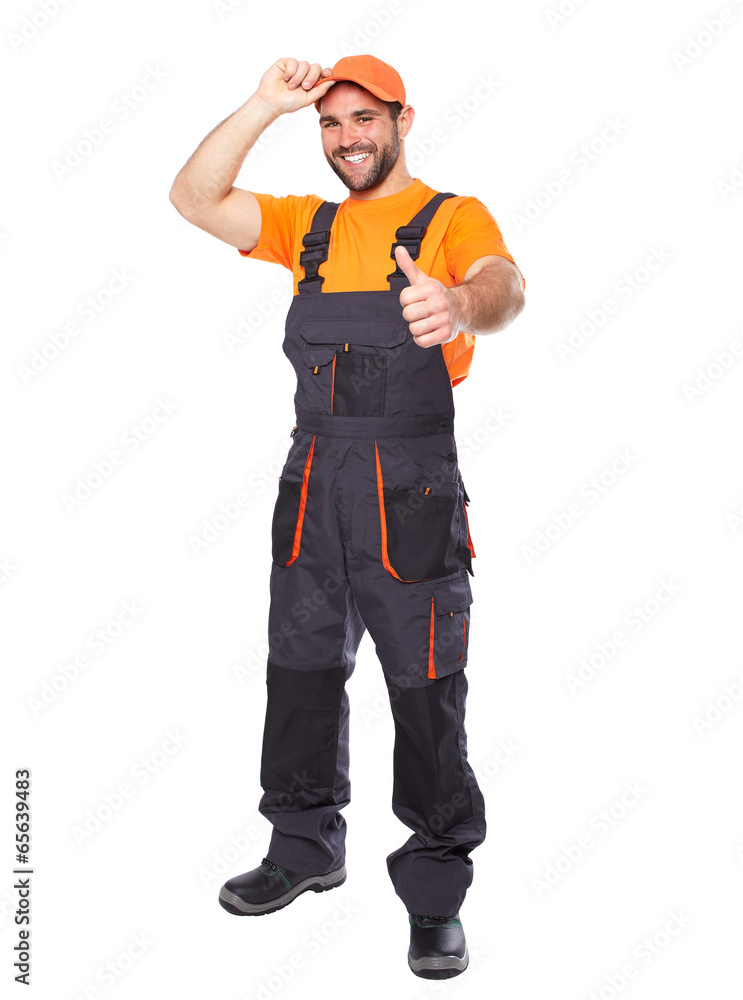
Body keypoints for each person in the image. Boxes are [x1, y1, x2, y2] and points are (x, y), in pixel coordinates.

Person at [169, 54, 525, 980]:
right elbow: (195, 199)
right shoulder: (306, 228)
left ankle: (436, 887)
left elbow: (504, 285)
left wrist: (456, 303)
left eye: (363, 119)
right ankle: (302, 848)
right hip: (312, 480)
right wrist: (261, 105)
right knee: (299, 673)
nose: (346, 138)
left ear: (402, 118)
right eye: (330, 124)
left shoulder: (448, 218)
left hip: (410, 490)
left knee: (424, 686)